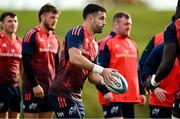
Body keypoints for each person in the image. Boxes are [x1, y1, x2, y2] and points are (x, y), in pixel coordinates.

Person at [48, 4, 116, 118]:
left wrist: (109, 81)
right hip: (61, 92)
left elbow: (92, 76)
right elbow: (75, 58)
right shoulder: (77, 32)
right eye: (101, 18)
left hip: (76, 96)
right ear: (90, 19)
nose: (104, 23)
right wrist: (103, 70)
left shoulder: (95, 44)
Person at [96, 12, 146, 118]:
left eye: (130, 25)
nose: (129, 27)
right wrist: (105, 91)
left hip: (131, 97)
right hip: (112, 96)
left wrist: (141, 92)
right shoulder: (106, 43)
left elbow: (137, 70)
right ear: (116, 24)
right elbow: (98, 70)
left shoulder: (133, 44)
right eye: (126, 24)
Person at [22, 3, 60, 118]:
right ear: (43, 17)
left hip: (50, 89)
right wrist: (35, 85)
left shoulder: (55, 38)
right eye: (52, 17)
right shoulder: (32, 35)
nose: (55, 21)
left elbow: (57, 64)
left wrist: (57, 85)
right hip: (33, 88)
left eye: (57, 18)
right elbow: (26, 61)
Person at [145, 0, 180, 118]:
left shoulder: (174, 29)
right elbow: (145, 70)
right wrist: (154, 87)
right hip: (162, 101)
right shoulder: (160, 48)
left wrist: (154, 82)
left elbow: (167, 65)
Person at [142, 43, 180, 118]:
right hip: (160, 102)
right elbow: (146, 72)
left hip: (177, 102)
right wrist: (154, 88)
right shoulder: (160, 49)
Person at [0, 12, 22, 119]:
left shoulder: (20, 43)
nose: (13, 24)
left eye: (15, 21)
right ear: (2, 24)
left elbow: (22, 67)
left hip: (15, 87)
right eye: (9, 21)